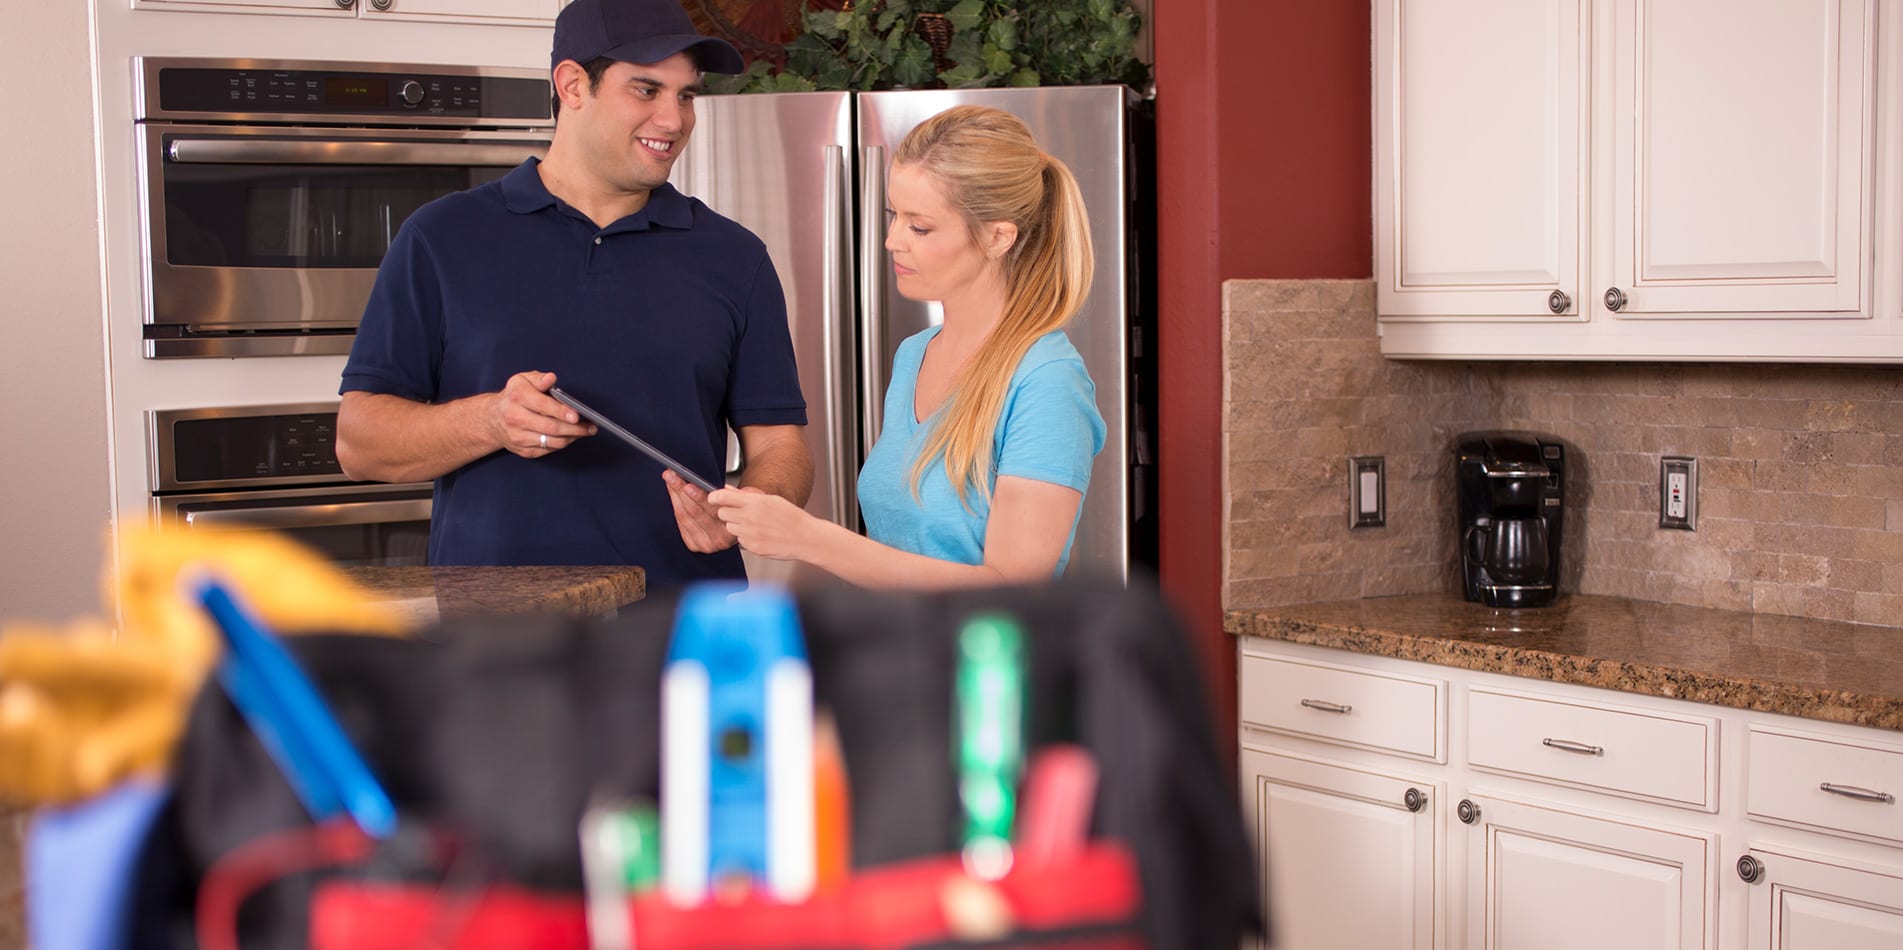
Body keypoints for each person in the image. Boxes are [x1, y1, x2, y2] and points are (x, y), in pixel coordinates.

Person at [334, 0, 813, 587]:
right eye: (646, 90)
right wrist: (491, 421)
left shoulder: (734, 256)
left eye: (686, 95)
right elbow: (359, 443)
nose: (674, 119)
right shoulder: (441, 237)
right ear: (572, 85)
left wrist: (752, 508)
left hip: (681, 628)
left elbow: (781, 445)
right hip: (500, 640)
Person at [709, 105, 1105, 588]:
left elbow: (1012, 595)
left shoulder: (1046, 380)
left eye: (920, 227)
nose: (892, 240)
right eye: (894, 216)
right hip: (896, 655)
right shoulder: (915, 354)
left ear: (999, 237)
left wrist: (811, 539)